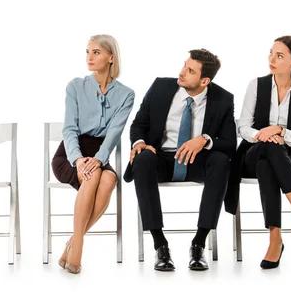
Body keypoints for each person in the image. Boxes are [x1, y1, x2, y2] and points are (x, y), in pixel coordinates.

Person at [124, 49, 236, 271]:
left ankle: (199, 244)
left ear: (205, 80)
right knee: (143, 159)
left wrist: (204, 140)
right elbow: (139, 124)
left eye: (190, 70)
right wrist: (139, 143)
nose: (182, 72)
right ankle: (160, 246)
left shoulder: (223, 99)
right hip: (162, 157)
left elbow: (229, 143)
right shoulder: (161, 87)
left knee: (222, 161)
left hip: (198, 159)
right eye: (185, 65)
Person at [234, 35, 291, 269]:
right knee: (268, 150)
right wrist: (264, 135)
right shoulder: (257, 85)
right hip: (252, 153)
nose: (272, 59)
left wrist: (279, 131)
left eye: (280, 56)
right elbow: (243, 127)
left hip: (289, 159)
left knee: (269, 164)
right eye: (271, 53)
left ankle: (275, 239)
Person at [51, 34, 135, 274]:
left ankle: (73, 241)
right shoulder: (75, 86)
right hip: (70, 152)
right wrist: (78, 160)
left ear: (111, 57)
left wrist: (99, 159)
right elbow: (69, 128)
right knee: (93, 175)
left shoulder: (126, 94)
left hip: (100, 153)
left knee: (109, 177)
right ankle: (78, 248)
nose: (89, 57)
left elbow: (114, 133)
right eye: (87, 52)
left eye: (96, 52)